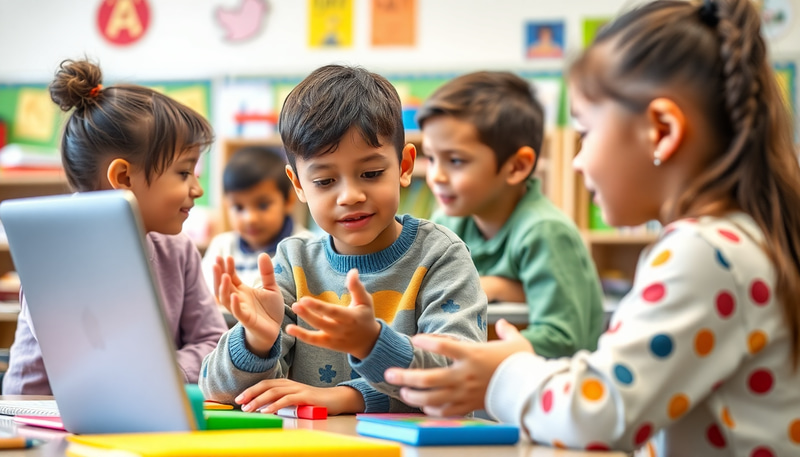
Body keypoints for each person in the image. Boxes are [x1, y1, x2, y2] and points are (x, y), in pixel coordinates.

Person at [385, 0, 800, 455]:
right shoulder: (736, 242)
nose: (578, 161)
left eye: (585, 132)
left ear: (660, 131)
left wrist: (504, 373)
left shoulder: (705, 253)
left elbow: (599, 414)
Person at [199, 64, 487, 415]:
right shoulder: (293, 263)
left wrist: (363, 365)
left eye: (371, 173)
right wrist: (256, 341)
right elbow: (218, 392)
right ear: (299, 185)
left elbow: (458, 380)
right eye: (324, 181)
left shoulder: (441, 255)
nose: (350, 195)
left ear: (405, 165)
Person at [2, 59, 228, 394]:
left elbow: (212, 343)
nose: (198, 189)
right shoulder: (57, 255)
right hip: (42, 416)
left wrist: (163, 371)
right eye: (183, 173)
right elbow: (87, 361)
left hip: (142, 407)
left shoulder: (178, 250)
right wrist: (159, 371)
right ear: (123, 178)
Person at [418, 71, 604, 358]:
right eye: (430, 158)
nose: (436, 176)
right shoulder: (446, 224)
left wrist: (494, 288)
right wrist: (502, 288)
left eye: (455, 160)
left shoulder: (545, 232)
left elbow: (564, 338)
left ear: (517, 167)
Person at [201, 145, 310, 292]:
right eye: (239, 207)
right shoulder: (221, 247)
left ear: (289, 200)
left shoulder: (306, 248)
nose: (250, 219)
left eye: (263, 205)